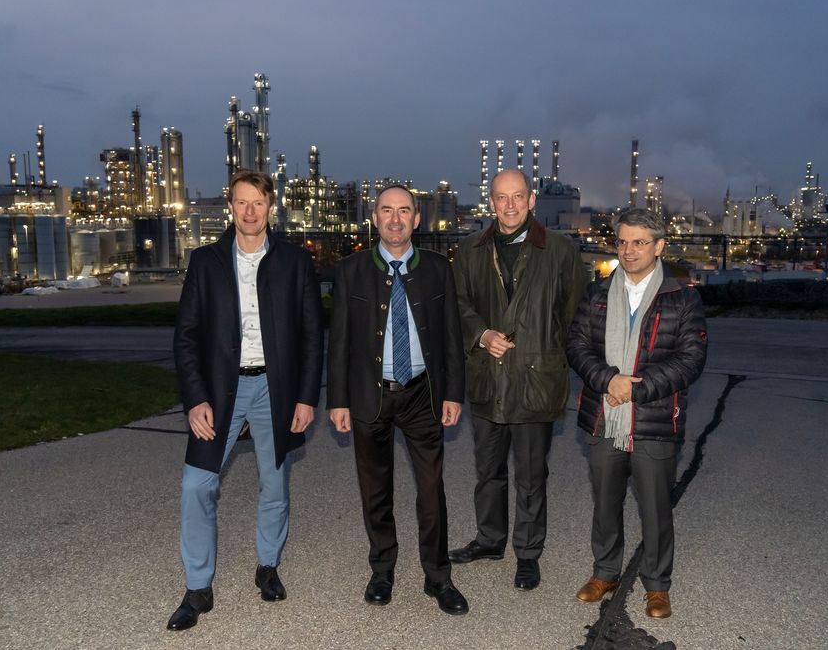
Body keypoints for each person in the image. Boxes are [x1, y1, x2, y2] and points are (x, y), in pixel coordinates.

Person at [167, 170, 324, 631]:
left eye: (258, 202)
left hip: (276, 389)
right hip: (219, 391)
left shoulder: (295, 261)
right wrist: (195, 399)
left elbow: (313, 335)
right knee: (196, 485)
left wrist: (306, 397)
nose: (250, 211)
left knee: (275, 485)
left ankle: (267, 566)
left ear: (271, 206)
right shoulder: (206, 261)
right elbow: (186, 337)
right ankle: (198, 587)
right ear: (230, 207)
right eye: (241, 202)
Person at [327, 184, 469, 616]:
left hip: (423, 393)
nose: (395, 219)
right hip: (369, 394)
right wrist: (337, 400)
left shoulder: (438, 268)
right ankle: (382, 570)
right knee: (375, 490)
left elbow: (451, 334)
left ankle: (438, 577)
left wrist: (453, 393)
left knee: (431, 489)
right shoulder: (350, 270)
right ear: (374, 218)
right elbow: (339, 340)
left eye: (403, 211)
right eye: (386, 210)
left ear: (416, 219)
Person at [565, 208, 707, 619]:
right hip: (603, 416)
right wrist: (609, 380)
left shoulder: (682, 297)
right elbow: (577, 345)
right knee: (605, 502)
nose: (628, 251)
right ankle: (605, 573)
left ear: (659, 246)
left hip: (655, 420)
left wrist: (634, 388)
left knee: (656, 507)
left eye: (639, 242)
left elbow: (690, 360)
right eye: (622, 242)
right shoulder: (597, 293)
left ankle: (657, 585)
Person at [449, 168, 587, 591]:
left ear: (531, 200)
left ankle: (527, 553)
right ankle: (490, 540)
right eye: (501, 197)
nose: (509, 205)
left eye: (517, 196)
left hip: (535, 380)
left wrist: (545, 354)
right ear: (491, 202)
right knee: (488, 468)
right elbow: (458, 304)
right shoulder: (471, 249)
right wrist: (482, 334)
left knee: (530, 474)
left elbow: (574, 313)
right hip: (488, 377)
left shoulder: (559, 250)